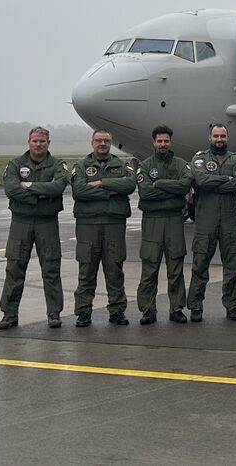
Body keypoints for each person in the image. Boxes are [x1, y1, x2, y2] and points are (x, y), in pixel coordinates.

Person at [0, 127, 69, 330]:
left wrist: (27, 186)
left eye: (42, 141)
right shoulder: (15, 164)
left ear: (49, 143)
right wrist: (42, 193)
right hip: (21, 222)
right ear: (29, 142)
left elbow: (57, 187)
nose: (39, 145)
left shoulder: (57, 164)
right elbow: (11, 190)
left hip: (47, 222)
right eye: (35, 141)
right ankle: (9, 314)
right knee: (14, 268)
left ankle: (54, 313)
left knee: (51, 268)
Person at [70, 129, 136, 327]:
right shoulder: (81, 166)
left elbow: (130, 185)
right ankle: (83, 312)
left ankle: (117, 310)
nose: (102, 144)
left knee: (114, 268)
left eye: (106, 141)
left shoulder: (120, 164)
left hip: (114, 224)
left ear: (111, 143)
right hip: (88, 225)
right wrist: (110, 192)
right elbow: (79, 190)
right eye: (99, 140)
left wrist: (100, 183)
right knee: (87, 268)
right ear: (92, 143)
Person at [187, 124, 236, 322]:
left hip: (229, 220)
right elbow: (201, 181)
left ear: (227, 137)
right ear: (209, 137)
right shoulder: (199, 158)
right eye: (216, 136)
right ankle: (195, 306)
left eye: (222, 136)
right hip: (206, 220)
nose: (219, 139)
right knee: (200, 264)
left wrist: (216, 182)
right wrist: (225, 180)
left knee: (232, 266)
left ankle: (232, 305)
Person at [135, 125, 191, 325]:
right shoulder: (146, 166)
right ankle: (148, 310)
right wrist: (172, 192)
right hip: (152, 222)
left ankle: (176, 308)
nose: (163, 144)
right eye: (159, 141)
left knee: (175, 267)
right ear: (154, 142)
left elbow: (185, 186)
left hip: (175, 221)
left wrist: (158, 184)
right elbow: (145, 193)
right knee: (150, 268)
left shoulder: (181, 165)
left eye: (166, 141)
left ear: (170, 142)